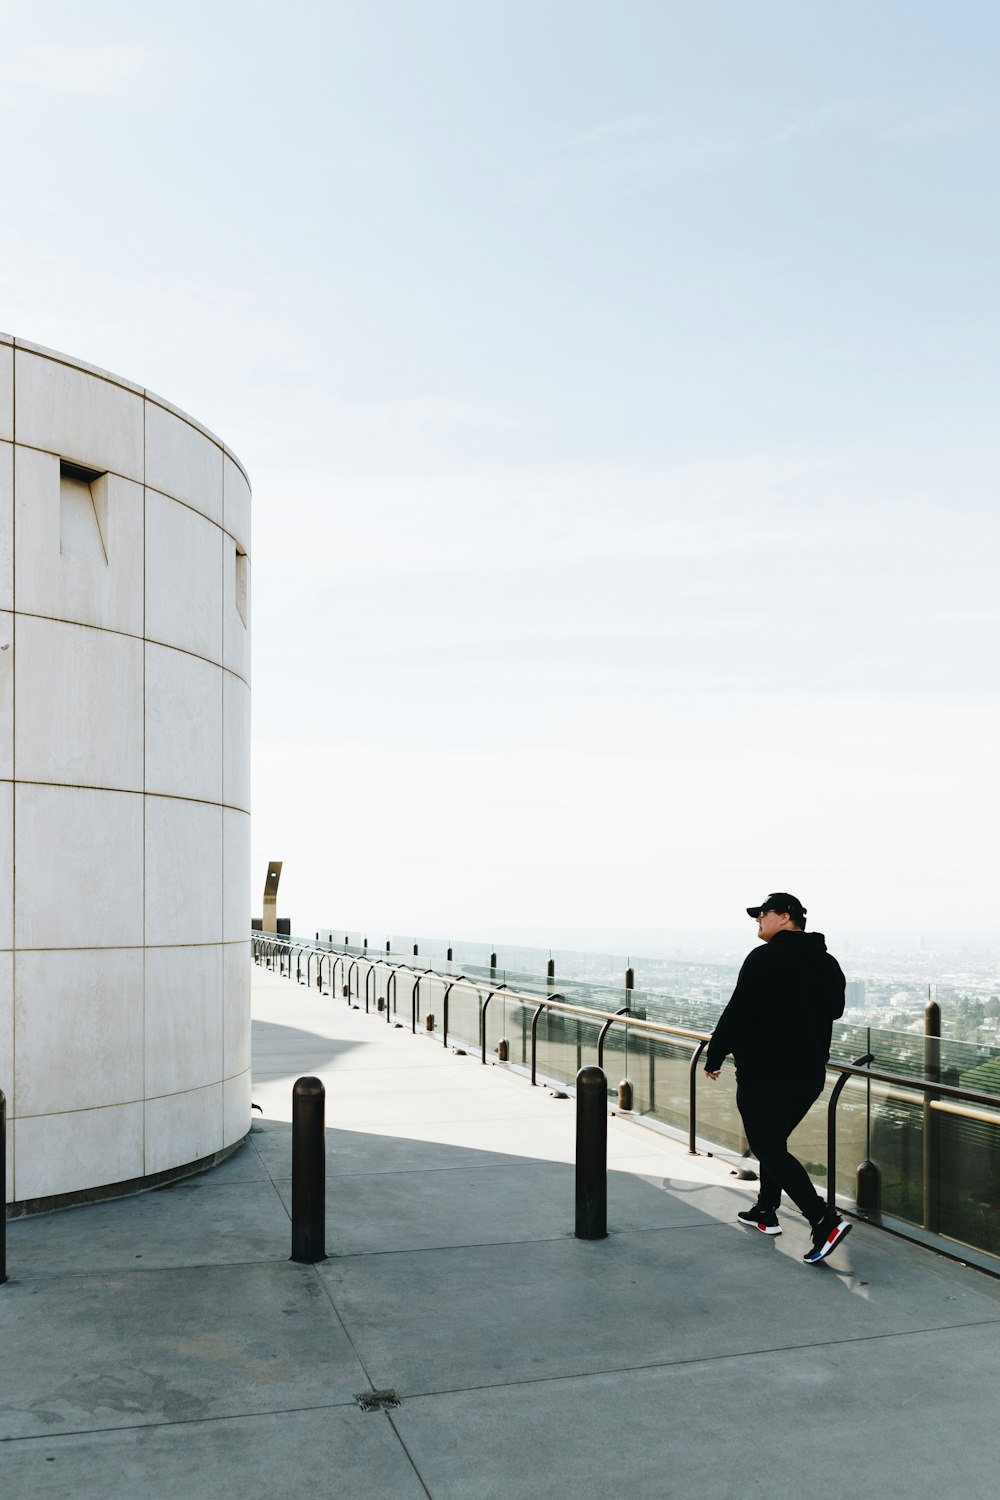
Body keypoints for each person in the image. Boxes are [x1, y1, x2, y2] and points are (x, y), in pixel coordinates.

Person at [705, 893, 850, 1264]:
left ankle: (822, 1218)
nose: (757, 920)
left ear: (785, 917)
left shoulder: (765, 958)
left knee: (766, 1145)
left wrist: (716, 1052)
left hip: (765, 1074)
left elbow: (739, 1011)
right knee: (774, 1142)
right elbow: (835, 1009)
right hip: (808, 1075)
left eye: (762, 914)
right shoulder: (828, 962)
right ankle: (766, 1210)